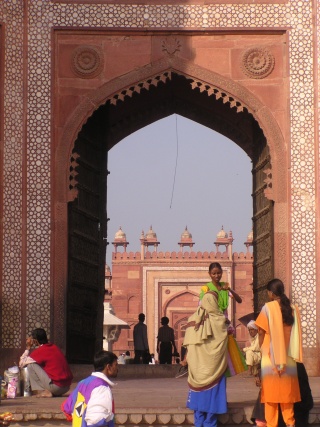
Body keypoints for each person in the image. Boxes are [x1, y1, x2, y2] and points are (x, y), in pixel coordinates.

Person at [255, 278, 303, 427]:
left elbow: (261, 332)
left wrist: (260, 349)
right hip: (289, 359)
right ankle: (290, 424)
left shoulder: (267, 308)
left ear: (270, 293)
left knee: (271, 399)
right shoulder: (293, 308)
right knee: (287, 400)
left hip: (271, 358)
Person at [182, 286, 229, 427]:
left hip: (197, 369)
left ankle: (199, 422)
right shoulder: (220, 320)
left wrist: (186, 359)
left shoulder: (192, 319)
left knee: (199, 399)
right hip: (215, 367)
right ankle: (210, 422)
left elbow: (189, 344)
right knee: (212, 400)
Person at [62, 350, 118, 427]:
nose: (117, 368)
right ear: (108, 367)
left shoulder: (82, 383)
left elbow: (67, 408)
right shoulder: (101, 388)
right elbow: (96, 420)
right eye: (115, 365)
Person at [19, 328, 73, 397]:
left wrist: (28, 347)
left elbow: (21, 364)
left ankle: (44, 391)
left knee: (31, 365)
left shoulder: (40, 351)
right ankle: (50, 391)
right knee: (39, 364)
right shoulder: (54, 347)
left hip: (56, 387)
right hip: (66, 387)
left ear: (35, 341)